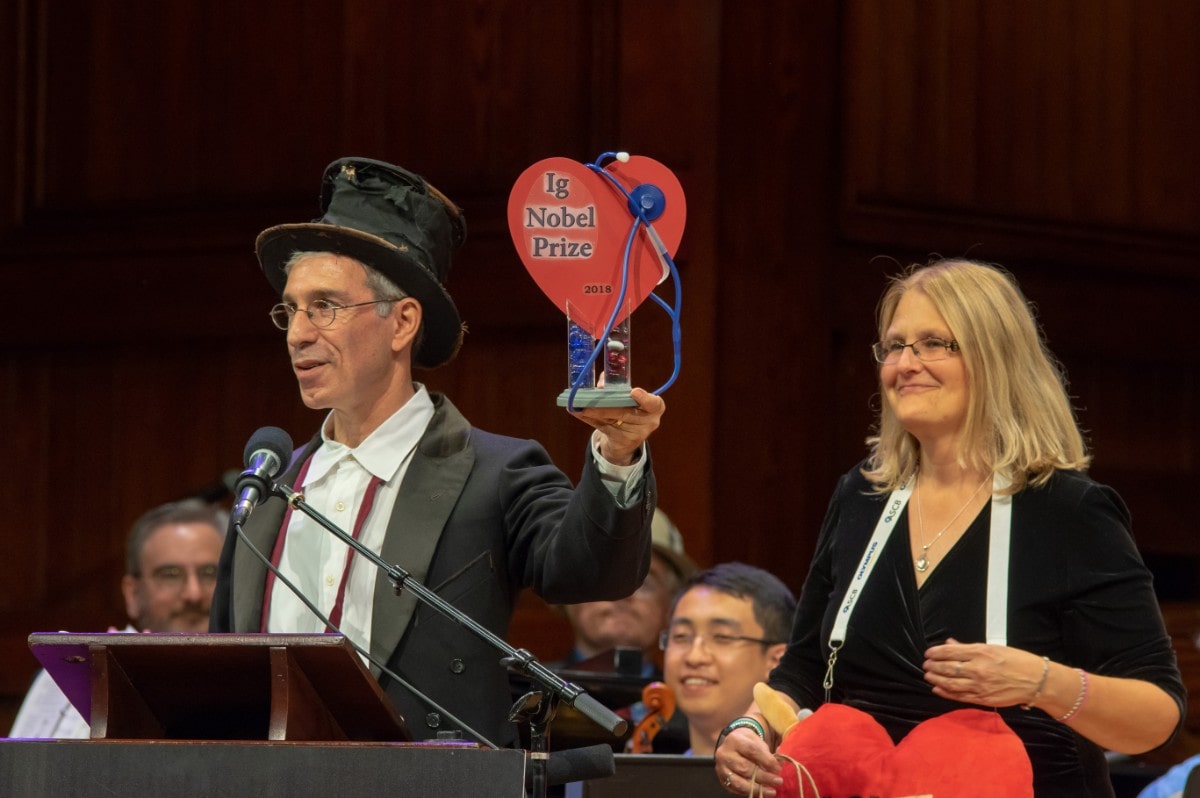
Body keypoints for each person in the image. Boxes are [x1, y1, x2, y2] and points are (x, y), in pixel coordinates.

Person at [210, 157, 666, 749]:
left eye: (324, 306)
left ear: (401, 323)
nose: (298, 332)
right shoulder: (266, 487)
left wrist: (619, 451)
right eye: (290, 310)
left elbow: (590, 570)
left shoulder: (495, 473)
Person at [714, 258, 1184, 797]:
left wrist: (1040, 682)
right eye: (894, 346)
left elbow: (1157, 714)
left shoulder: (1069, 511)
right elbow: (802, 669)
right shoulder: (860, 496)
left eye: (934, 343)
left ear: (994, 359)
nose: (905, 364)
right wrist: (749, 727)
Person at [9, 499, 227, 738]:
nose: (192, 594)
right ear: (132, 594)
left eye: (209, 573)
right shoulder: (69, 678)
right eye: (170, 575)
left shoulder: (262, 687)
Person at [660, 562, 795, 756]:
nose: (694, 657)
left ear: (776, 660)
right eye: (681, 636)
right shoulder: (657, 783)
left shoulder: (800, 783)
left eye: (722, 637)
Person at [558, 507, 697, 677]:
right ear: (567, 592)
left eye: (643, 583)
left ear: (671, 603)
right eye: (604, 576)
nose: (622, 594)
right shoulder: (525, 698)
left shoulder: (696, 702)